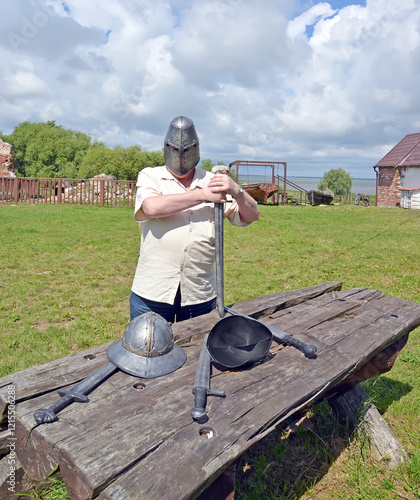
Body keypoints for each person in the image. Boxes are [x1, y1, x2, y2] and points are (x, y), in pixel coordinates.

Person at [130, 116, 259, 323]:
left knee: (198, 350)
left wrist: (235, 189)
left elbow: (252, 215)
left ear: (196, 148)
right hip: (153, 291)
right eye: (174, 148)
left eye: (187, 150)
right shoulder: (150, 175)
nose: (181, 155)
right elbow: (151, 207)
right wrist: (203, 195)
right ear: (166, 147)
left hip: (199, 293)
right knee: (148, 351)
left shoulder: (213, 181)